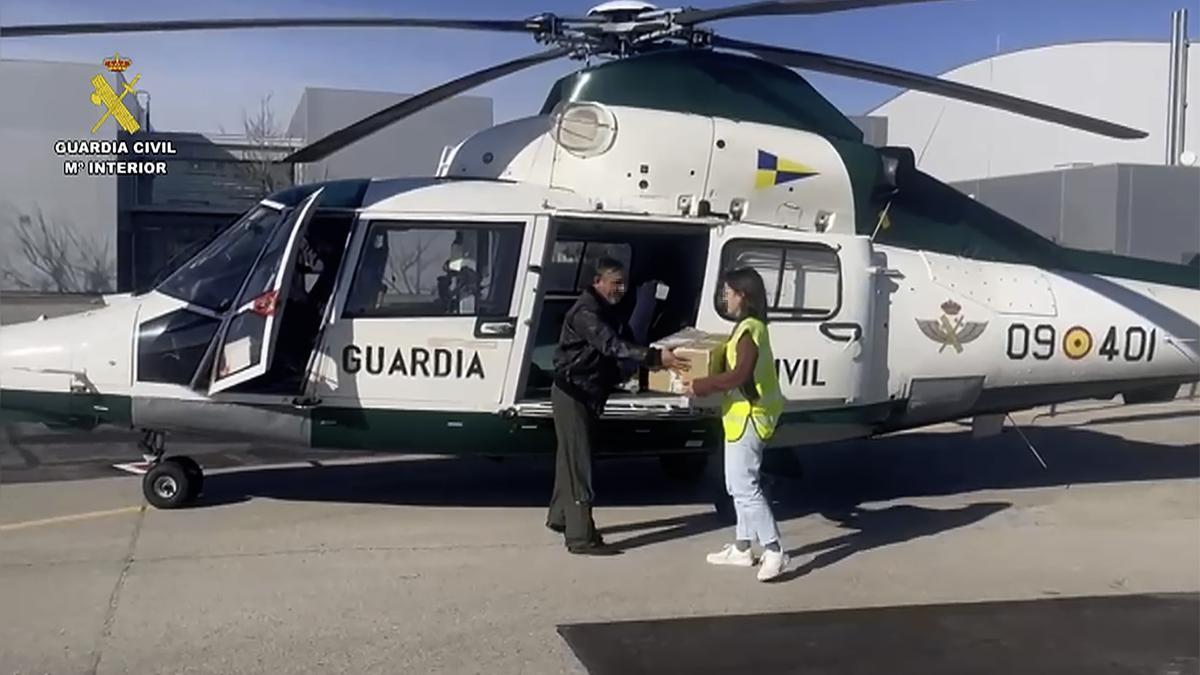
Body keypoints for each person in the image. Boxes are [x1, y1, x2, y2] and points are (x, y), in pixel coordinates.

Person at [547, 257, 689, 555]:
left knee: (569, 461)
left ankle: (561, 518)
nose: (621, 290)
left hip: (584, 392)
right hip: (573, 392)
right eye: (615, 283)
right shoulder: (587, 312)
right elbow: (611, 345)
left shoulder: (604, 309)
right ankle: (580, 538)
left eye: (623, 284)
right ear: (598, 281)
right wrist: (654, 358)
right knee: (580, 465)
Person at [684, 267, 788, 581]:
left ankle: (774, 550)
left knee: (745, 487)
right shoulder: (746, 327)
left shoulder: (749, 331)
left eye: (728, 293)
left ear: (742, 295)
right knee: (736, 485)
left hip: (751, 416)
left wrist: (699, 385)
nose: (724, 299)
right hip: (738, 417)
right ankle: (743, 548)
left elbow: (740, 375)